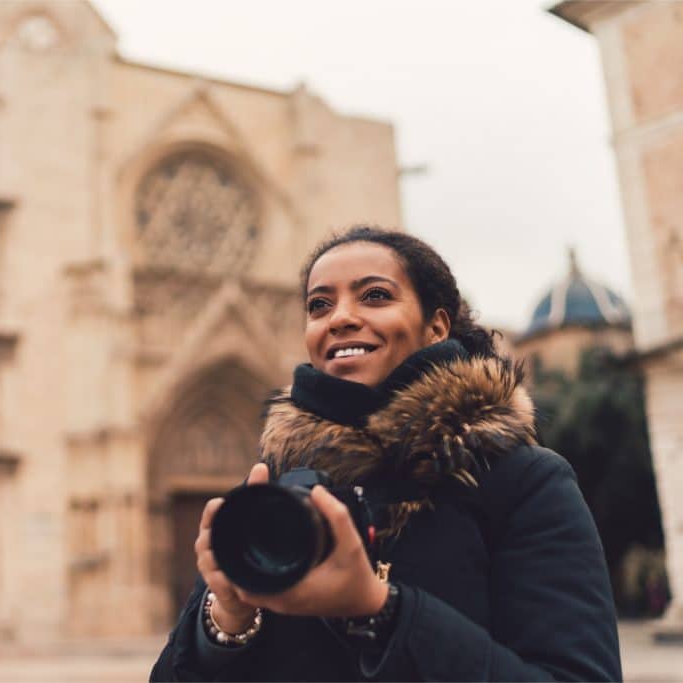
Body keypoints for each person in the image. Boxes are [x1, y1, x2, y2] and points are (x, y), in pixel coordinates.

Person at [151, 226, 622, 681]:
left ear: (436, 325)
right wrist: (225, 621)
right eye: (319, 305)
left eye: (374, 295)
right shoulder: (274, 485)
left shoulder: (525, 482)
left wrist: (381, 611)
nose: (339, 317)